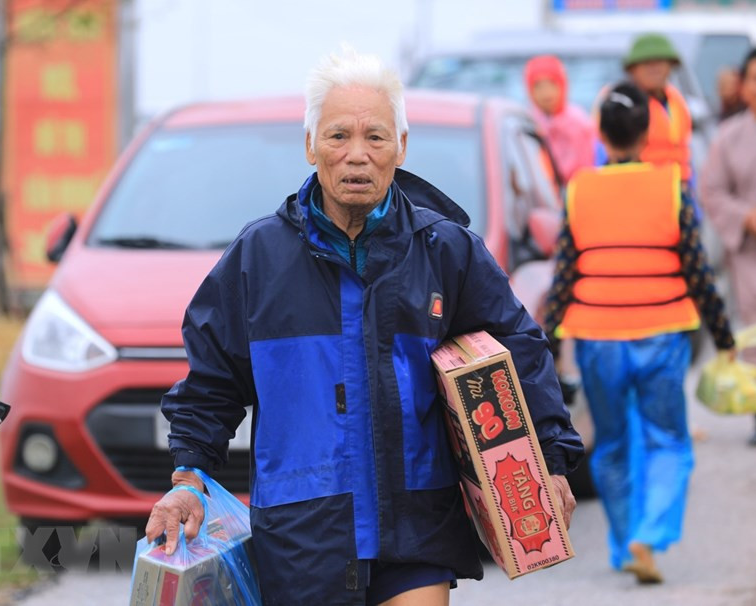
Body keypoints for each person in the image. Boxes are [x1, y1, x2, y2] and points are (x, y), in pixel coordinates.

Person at [144, 47, 584, 605]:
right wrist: (189, 480)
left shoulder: (446, 251)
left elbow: (520, 350)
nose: (357, 155)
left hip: (416, 521)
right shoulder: (259, 257)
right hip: (302, 531)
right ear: (309, 146)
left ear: (401, 147)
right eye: (337, 136)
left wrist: (548, 457)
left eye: (375, 137)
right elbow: (213, 383)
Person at [544, 82, 736, 584]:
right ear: (648, 133)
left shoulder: (580, 188)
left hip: (597, 335)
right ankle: (647, 535)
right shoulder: (671, 185)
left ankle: (626, 537)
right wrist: (724, 337)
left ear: (602, 134)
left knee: (609, 444)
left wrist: (548, 344)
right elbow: (697, 271)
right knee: (668, 440)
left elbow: (565, 274)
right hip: (661, 332)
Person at [700, 46, 756, 446]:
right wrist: (748, 217)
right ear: (743, 86)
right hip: (750, 256)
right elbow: (712, 191)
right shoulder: (728, 137)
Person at [621, 33, 694, 184]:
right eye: (646, 62)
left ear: (671, 65)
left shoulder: (677, 100)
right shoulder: (622, 102)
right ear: (632, 69)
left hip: (678, 186)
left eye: (659, 62)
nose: (654, 68)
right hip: (640, 186)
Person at [524, 55, 596, 185]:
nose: (546, 92)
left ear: (562, 85)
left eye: (552, 84)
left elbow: (583, 171)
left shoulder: (578, 123)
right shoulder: (527, 122)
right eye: (538, 86)